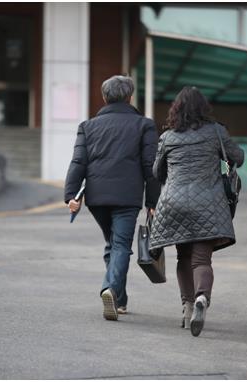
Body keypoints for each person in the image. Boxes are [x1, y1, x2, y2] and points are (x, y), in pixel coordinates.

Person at [149, 86, 244, 337]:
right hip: (208, 204)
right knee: (202, 260)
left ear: (176, 109)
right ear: (204, 108)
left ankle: (187, 306)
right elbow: (238, 157)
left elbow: (157, 172)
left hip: (175, 205)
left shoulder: (168, 137)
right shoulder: (216, 131)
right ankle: (202, 298)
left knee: (183, 258)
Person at [64, 75, 160, 321]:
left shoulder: (88, 126)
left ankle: (120, 299)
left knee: (113, 244)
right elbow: (151, 166)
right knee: (120, 246)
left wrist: (70, 196)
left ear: (104, 97)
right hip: (127, 197)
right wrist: (152, 202)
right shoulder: (144, 125)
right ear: (130, 97)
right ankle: (110, 288)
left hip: (97, 198)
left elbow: (78, 162)